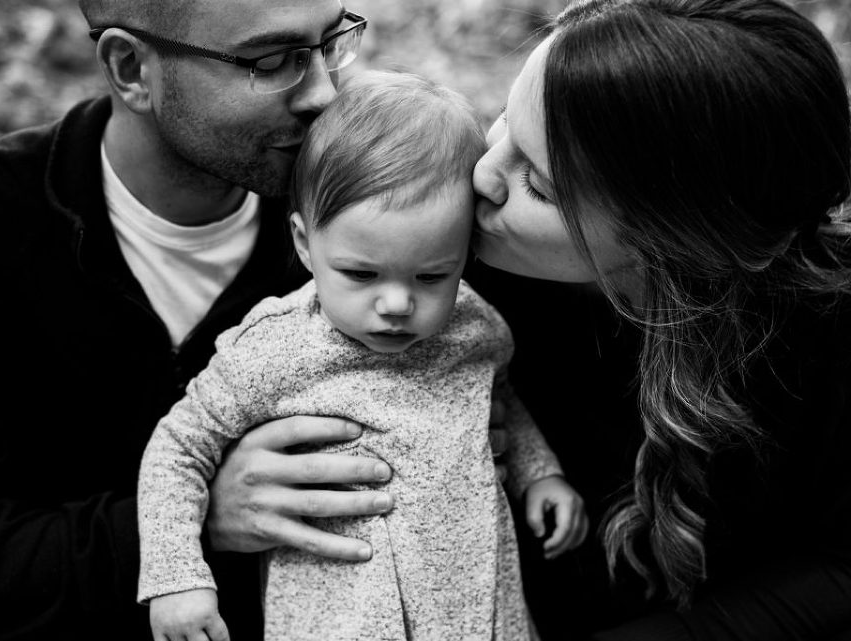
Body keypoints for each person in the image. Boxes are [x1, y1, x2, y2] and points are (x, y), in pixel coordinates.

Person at [0, 1, 410, 639]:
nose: (323, 93)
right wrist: (188, 520)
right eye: (272, 61)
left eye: (331, 43)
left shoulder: (377, 216)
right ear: (131, 67)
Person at [137, 70, 588, 641]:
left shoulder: (473, 324)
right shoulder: (275, 349)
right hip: (339, 618)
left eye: (432, 274)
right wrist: (177, 577)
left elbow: (497, 397)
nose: (397, 303)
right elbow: (178, 450)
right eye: (360, 274)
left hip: (482, 610)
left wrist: (540, 474)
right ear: (305, 243)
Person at [467, 0, 851, 638]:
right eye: (503, 119)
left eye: (538, 184)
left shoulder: (828, 322)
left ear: (681, 240)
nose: (482, 175)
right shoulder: (432, 263)